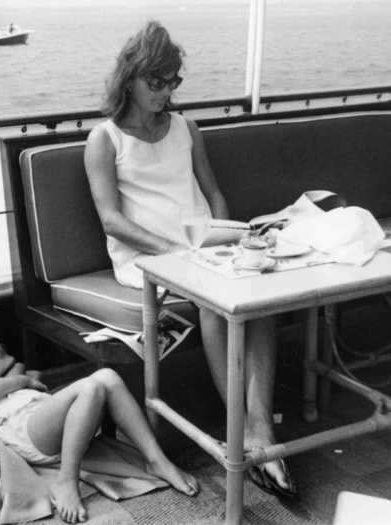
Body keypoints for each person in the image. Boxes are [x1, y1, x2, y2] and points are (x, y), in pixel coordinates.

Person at [83, 20, 296, 499]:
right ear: (129, 79)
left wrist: (225, 238)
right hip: (148, 257)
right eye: (155, 82)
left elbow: (214, 193)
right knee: (215, 301)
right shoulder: (105, 139)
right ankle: (239, 427)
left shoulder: (186, 128)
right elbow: (112, 222)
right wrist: (180, 252)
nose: (165, 92)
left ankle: (261, 432)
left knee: (257, 293)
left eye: (171, 82)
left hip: (202, 248)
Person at [0, 344, 199, 524]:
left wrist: (23, 383)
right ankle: (66, 481)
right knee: (90, 388)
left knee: (107, 376)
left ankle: (157, 460)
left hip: (45, 421)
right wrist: (23, 381)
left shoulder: (0, 384)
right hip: (23, 430)